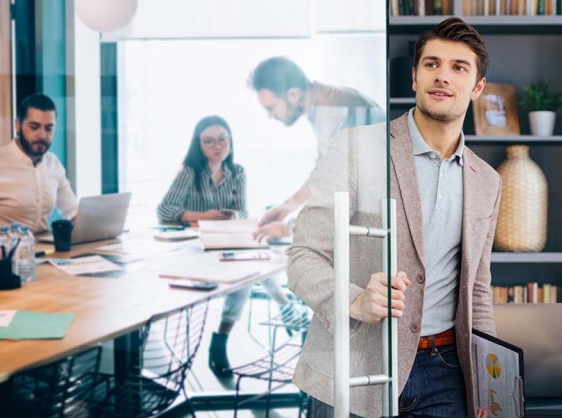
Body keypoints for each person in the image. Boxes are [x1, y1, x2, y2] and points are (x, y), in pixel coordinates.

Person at [287, 17, 499, 418]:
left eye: (459, 67)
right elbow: (303, 257)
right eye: (432, 64)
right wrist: (354, 300)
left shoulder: (486, 180)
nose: (442, 76)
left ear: (477, 88)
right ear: (414, 76)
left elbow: (477, 291)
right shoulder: (355, 147)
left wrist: (488, 386)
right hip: (355, 365)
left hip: (445, 373)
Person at [157, 115, 280, 376]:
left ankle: (222, 339)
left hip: (226, 240)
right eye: (209, 141)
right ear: (199, 145)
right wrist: (203, 216)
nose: (217, 146)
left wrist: (235, 217)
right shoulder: (189, 172)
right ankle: (287, 311)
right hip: (196, 247)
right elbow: (165, 211)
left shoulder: (237, 172)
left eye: (222, 139)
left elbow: (243, 211)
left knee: (253, 270)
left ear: (230, 142)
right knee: (251, 271)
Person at [247, 56, 385, 241]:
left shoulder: (333, 111)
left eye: (271, 107)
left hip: (373, 224)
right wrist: (287, 207)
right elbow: (325, 170)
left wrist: (290, 227)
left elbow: (334, 184)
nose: (270, 116)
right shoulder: (325, 104)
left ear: (293, 95)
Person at [0, 93, 78, 247]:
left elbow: (72, 211)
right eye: (34, 127)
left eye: (49, 128)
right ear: (17, 125)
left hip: (42, 254)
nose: (42, 135)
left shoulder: (53, 164)